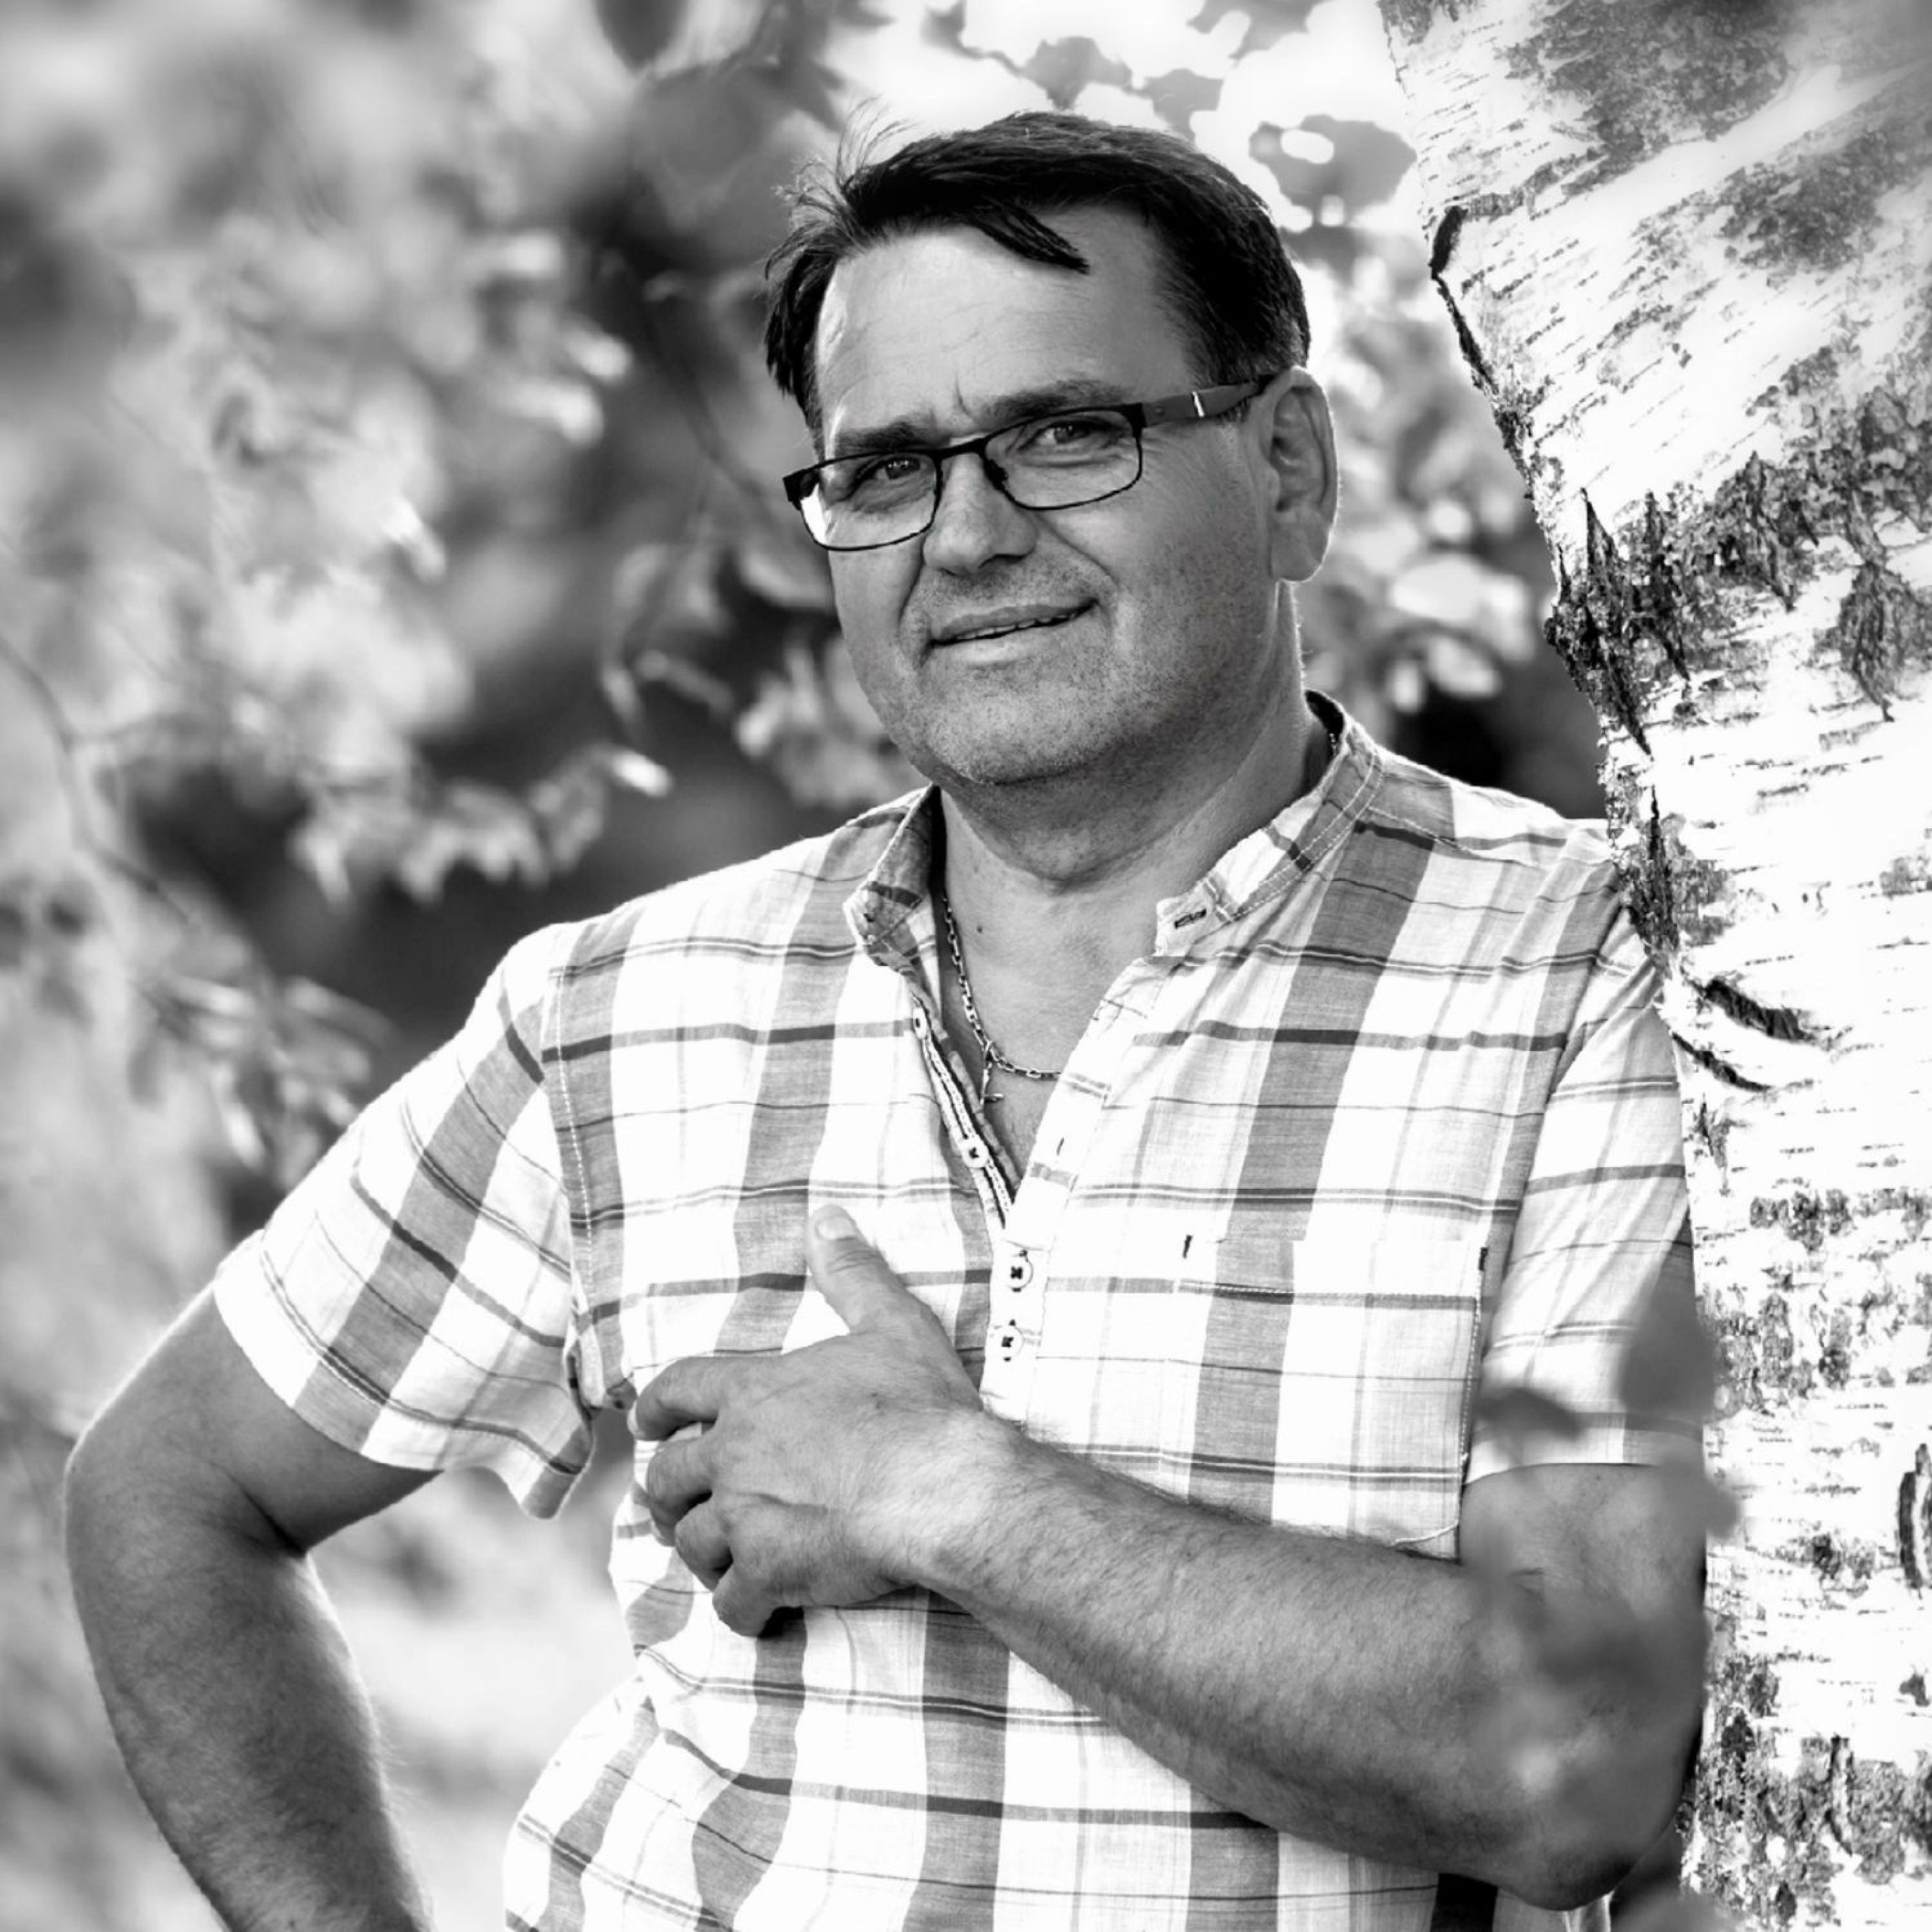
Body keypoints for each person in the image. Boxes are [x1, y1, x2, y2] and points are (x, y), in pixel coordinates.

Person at [65, 111, 1704, 1932]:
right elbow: (170, 1490)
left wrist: (949, 1495)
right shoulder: (627, 1007)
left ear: (1291, 471)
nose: (971, 536)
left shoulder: (1593, 973)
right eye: (889, 469)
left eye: (1068, 433)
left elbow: (1573, 1766)